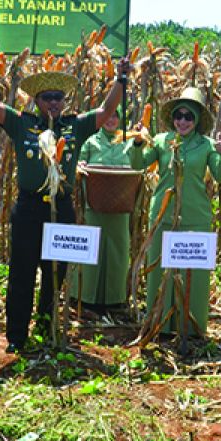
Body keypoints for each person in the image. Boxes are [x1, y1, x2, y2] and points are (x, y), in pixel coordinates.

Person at [0, 51, 130, 354]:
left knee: (55, 272)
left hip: (60, 207)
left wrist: (121, 79)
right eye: (47, 97)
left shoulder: (75, 126)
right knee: (22, 271)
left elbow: (105, 109)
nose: (53, 102)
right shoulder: (22, 123)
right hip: (29, 208)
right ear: (36, 100)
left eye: (58, 97)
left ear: (65, 101)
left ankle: (46, 325)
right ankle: (16, 336)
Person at [130, 86, 221, 340]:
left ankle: (190, 326)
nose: (182, 121)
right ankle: (159, 324)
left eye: (188, 116)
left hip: (195, 216)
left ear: (197, 120)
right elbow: (137, 164)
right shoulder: (163, 141)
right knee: (161, 271)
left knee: (193, 275)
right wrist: (137, 143)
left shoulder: (207, 145)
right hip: (162, 216)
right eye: (179, 115)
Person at [70, 112, 133, 310]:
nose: (111, 120)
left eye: (116, 116)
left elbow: (140, 163)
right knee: (91, 248)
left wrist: (140, 141)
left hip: (121, 205)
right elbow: (78, 164)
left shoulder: (128, 141)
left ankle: (115, 299)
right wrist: (79, 166)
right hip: (94, 204)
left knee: (118, 250)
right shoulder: (90, 142)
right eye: (108, 115)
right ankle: (86, 296)